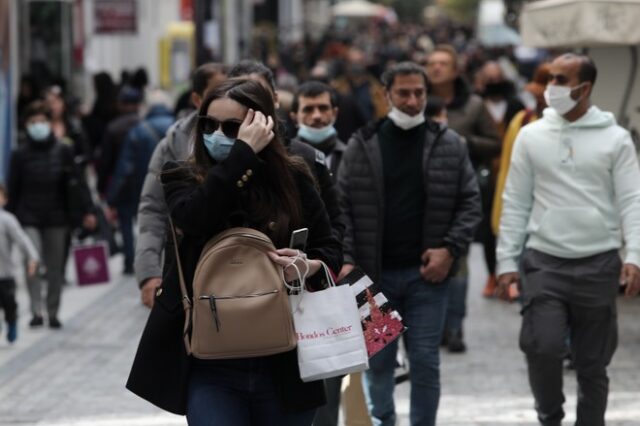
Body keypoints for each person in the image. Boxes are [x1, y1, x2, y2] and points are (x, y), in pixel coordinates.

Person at [126, 78, 342, 425]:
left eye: (232, 127)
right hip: (211, 361)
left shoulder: (294, 178)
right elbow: (196, 218)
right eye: (208, 125)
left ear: (263, 125)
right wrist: (242, 155)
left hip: (285, 358)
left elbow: (330, 247)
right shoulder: (181, 177)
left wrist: (309, 264)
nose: (217, 134)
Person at [496, 53, 640, 426]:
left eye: (560, 80)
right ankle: (550, 415)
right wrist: (506, 261)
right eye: (550, 79)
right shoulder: (531, 136)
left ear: (585, 87)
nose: (550, 88)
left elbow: (632, 200)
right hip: (544, 261)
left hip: (599, 262)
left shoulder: (616, 139)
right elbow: (516, 200)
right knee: (541, 347)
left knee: (593, 364)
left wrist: (635, 255)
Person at [337, 62, 481, 426]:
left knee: (425, 360)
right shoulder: (363, 144)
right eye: (404, 92)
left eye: (419, 92)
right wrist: (350, 260)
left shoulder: (448, 143)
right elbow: (343, 207)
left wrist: (449, 249)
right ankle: (384, 419)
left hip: (426, 277)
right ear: (387, 95)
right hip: (373, 279)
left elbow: (469, 202)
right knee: (380, 362)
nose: (413, 100)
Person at [290, 81, 369, 426]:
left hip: (345, 277)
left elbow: (359, 213)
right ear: (295, 116)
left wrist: (348, 259)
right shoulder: (285, 160)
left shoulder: (356, 152)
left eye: (323, 108)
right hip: (296, 280)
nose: (317, 116)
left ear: (335, 113)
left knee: (336, 367)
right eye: (308, 109)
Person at [425, 44, 501, 352]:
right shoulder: (416, 99)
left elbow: (494, 143)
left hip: (461, 192)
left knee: (459, 262)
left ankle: (454, 327)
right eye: (432, 63)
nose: (437, 68)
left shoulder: (472, 105)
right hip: (421, 195)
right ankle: (431, 325)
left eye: (444, 63)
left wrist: (461, 140)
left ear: (456, 70)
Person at [134, 63, 227, 307]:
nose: (225, 99)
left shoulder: (254, 139)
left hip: (243, 270)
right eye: (217, 91)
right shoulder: (174, 143)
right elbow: (152, 208)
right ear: (197, 99)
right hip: (185, 271)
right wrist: (148, 272)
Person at [6, 101, 96, 329]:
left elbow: (78, 183)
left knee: (55, 268)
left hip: (58, 217)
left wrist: (88, 210)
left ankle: (53, 311)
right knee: (32, 261)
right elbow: (12, 189)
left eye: (42, 121)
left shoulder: (63, 150)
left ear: (50, 123)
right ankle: (36, 310)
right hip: (28, 217)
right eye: (34, 122)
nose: (38, 126)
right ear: (26, 125)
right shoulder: (19, 155)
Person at [107, 89, 175, 275]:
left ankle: (134, 262)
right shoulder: (177, 127)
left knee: (139, 225)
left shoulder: (139, 130)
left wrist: (112, 196)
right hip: (173, 188)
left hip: (142, 187)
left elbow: (125, 167)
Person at [491, 63, 550, 238]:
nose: (540, 100)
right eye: (537, 96)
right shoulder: (522, 120)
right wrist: (499, 219)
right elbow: (507, 170)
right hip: (523, 218)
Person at [0, 183, 40, 343]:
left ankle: (12, 323)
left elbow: (22, 239)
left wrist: (33, 258)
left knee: (9, 304)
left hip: (6, 274)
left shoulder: (7, 219)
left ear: (5, 199)